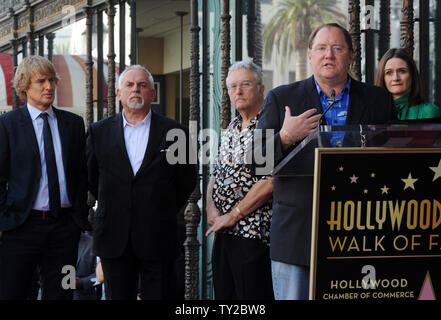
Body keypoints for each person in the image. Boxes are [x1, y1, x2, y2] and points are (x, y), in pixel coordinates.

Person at [256, 23, 397, 300]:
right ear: (310, 56)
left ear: (351, 56)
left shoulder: (378, 99)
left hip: (359, 236)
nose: (328, 55)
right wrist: (286, 136)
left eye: (337, 48)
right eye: (321, 48)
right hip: (298, 239)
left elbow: (393, 159)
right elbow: (255, 161)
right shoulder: (282, 97)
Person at [86, 64, 197, 300]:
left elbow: (186, 181)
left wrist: (158, 206)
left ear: (152, 93)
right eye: (129, 85)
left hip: (158, 234)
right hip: (114, 236)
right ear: (118, 93)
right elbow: (91, 178)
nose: (135, 89)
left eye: (142, 85)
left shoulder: (177, 133)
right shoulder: (98, 132)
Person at [0, 55, 90, 300]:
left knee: (63, 293)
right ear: (24, 86)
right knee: (12, 292)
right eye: (41, 81)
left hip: (64, 230)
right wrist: (4, 221)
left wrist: (77, 218)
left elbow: (81, 173)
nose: (49, 86)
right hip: (21, 228)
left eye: (52, 80)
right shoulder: (7, 124)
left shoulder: (73, 124)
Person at [205, 59, 274, 300]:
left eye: (245, 84)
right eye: (232, 87)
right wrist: (210, 208)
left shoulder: (267, 127)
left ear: (261, 89)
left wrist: (232, 215)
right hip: (223, 232)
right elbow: (216, 173)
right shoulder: (232, 127)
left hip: (252, 234)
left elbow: (268, 183)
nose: (238, 91)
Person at [375, 48, 441, 120]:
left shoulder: (429, 112)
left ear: (412, 75)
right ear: (382, 77)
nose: (396, 78)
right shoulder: (373, 112)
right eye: (389, 73)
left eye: (402, 71)